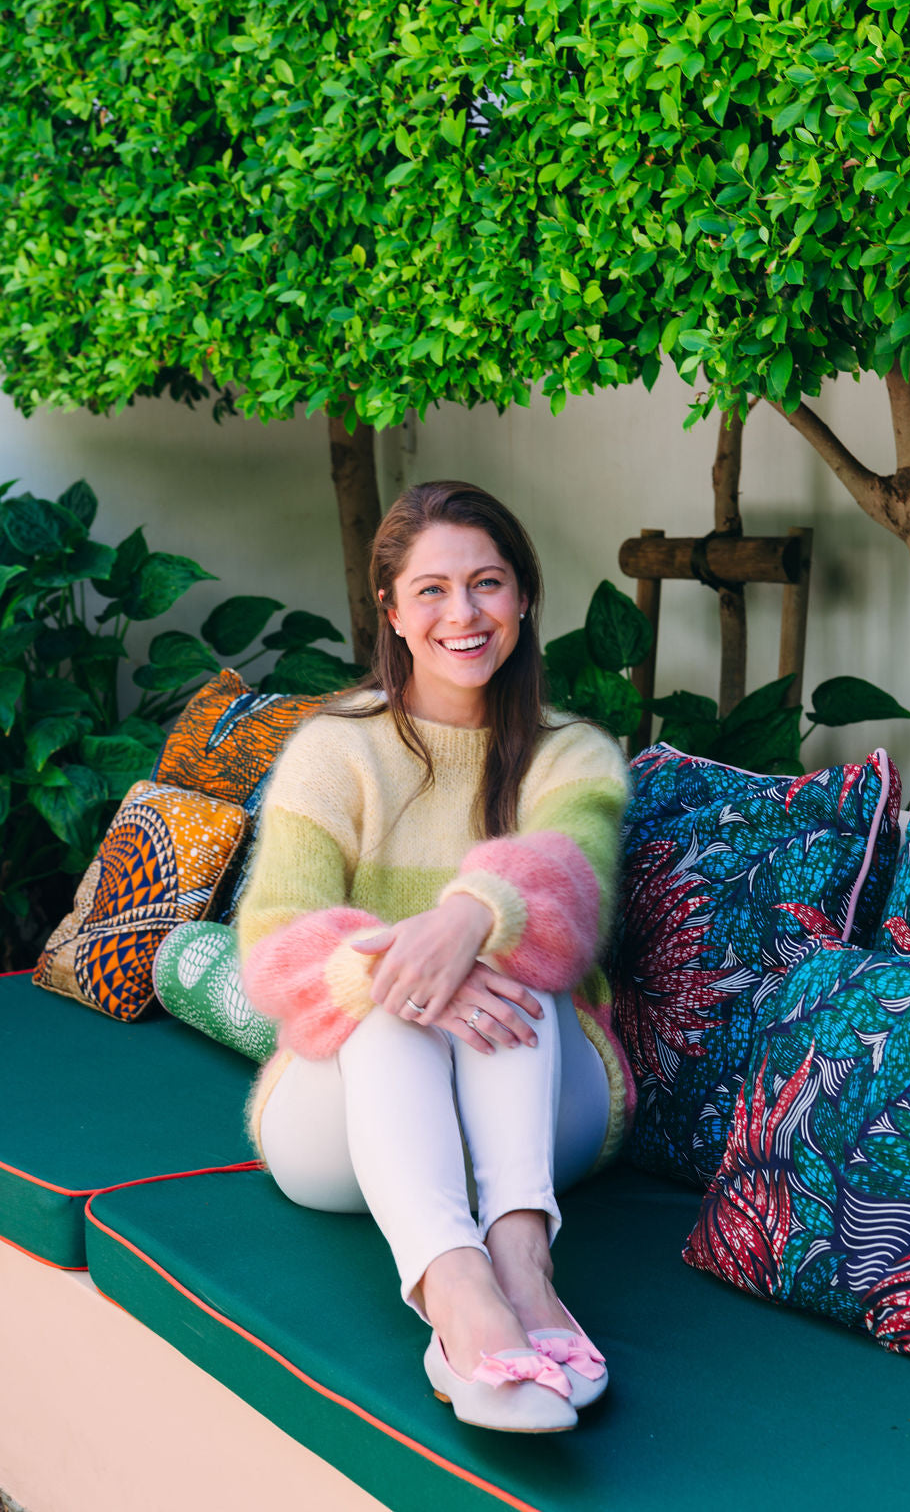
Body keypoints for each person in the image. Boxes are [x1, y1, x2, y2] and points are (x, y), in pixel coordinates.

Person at [237, 481, 633, 1434]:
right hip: (341, 1128)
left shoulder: (573, 753)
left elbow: (568, 886)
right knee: (386, 999)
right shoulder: (335, 749)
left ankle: (525, 1272)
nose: (463, 613)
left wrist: (468, 917)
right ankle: (458, 1297)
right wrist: (398, 970)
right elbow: (273, 940)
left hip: (539, 1120)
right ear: (391, 610)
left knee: (516, 961)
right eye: (432, 590)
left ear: (525, 597)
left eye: (488, 583)